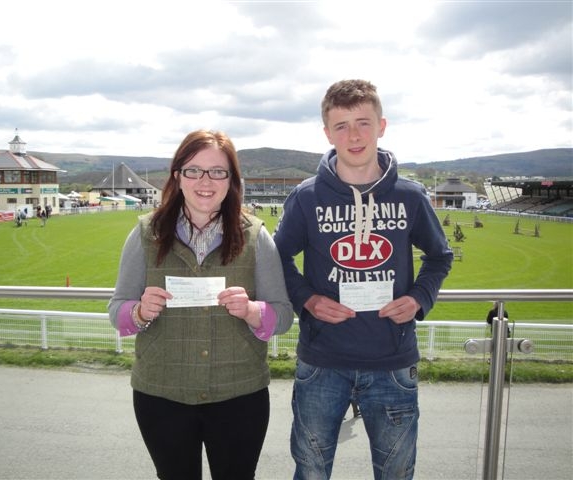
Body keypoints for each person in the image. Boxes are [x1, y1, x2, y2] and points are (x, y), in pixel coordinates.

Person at [273, 79, 453, 480]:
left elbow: (440, 256)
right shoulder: (306, 196)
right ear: (326, 133)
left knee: (396, 474)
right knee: (311, 472)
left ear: (381, 126)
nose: (353, 135)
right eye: (341, 126)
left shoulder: (410, 196)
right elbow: (277, 257)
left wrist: (420, 297)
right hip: (322, 363)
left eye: (363, 123)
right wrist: (308, 299)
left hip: (392, 362)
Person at [108, 129, 293, 480]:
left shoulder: (256, 236)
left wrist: (254, 312)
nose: (205, 181)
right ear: (178, 176)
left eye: (217, 171)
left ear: (231, 180)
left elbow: (283, 315)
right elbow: (117, 312)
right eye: (194, 170)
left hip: (239, 395)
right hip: (161, 396)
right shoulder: (145, 234)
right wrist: (139, 312)